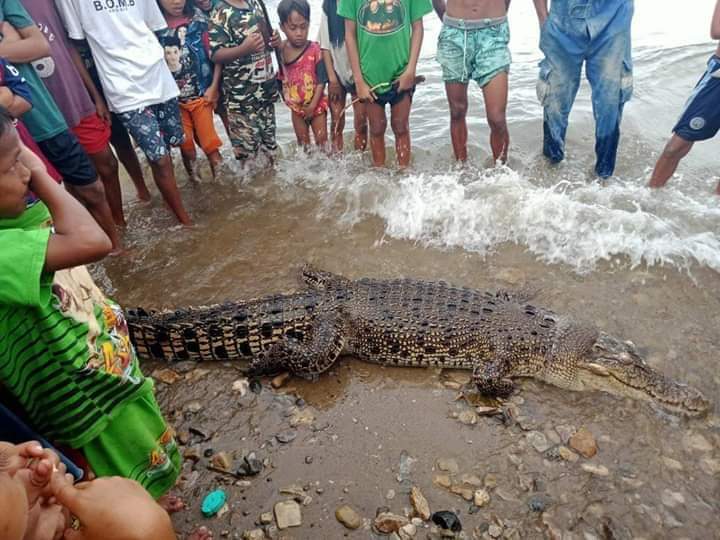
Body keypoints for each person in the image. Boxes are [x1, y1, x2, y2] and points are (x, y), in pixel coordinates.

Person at [0, 108, 182, 501]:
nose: (26, 172)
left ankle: (156, 498)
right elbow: (94, 241)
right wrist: (44, 177)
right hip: (81, 399)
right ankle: (139, 514)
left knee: (139, 435)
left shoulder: (14, 220)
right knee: (110, 469)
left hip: (104, 367)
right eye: (12, 165)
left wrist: (22, 164)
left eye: (23, 160)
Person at [55, 0, 192, 225]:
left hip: (158, 76)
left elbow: (152, 25)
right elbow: (74, 45)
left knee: (174, 142)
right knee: (160, 159)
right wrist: (97, 97)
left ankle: (169, 198)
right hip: (123, 87)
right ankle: (185, 222)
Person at [0, 0, 123, 250]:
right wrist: (11, 43)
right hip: (12, 134)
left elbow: (39, 45)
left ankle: (116, 249)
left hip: (44, 118)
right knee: (34, 206)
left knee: (91, 188)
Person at [533, 0, 634, 178]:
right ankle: (550, 172)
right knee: (555, 102)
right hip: (562, 20)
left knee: (609, 102)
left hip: (613, 18)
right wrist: (543, 18)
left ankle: (604, 179)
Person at [340, 0, 431, 168]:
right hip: (369, 77)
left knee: (401, 126)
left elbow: (418, 28)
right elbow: (349, 35)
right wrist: (359, 81)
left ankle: (404, 175)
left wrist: (411, 70)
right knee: (376, 127)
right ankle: (379, 175)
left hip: (401, 73)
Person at [649, 0, 720, 194]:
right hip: (717, 78)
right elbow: (716, 30)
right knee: (675, 147)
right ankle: (649, 198)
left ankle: (713, 211)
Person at [72, 41, 152, 203]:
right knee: (95, 156)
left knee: (121, 140)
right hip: (76, 90)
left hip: (104, 78)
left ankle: (142, 190)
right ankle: (107, 204)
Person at [433, 0, 510, 163]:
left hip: (493, 33)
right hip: (455, 33)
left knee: (497, 118)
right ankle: (461, 168)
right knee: (457, 110)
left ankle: (502, 174)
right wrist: (449, 22)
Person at [208, 0, 281, 166]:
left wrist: (275, 40)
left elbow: (267, 38)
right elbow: (215, 54)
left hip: (266, 95)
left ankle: (269, 189)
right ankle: (248, 191)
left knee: (270, 150)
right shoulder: (220, 12)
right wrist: (243, 49)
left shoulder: (256, 3)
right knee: (248, 158)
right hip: (240, 101)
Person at [157, 0, 224, 180]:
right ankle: (195, 185)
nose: (177, 1)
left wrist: (214, 87)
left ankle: (224, 189)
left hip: (201, 97)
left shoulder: (198, 20)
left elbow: (215, 54)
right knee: (186, 147)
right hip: (174, 102)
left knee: (210, 145)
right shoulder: (154, 28)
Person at [319, 0, 368, 153]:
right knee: (336, 121)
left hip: (360, 73)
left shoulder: (362, 4)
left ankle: (359, 160)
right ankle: (336, 161)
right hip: (337, 73)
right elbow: (325, 46)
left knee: (361, 122)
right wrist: (332, 79)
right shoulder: (329, 5)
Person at [278, 0, 329, 148]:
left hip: (316, 106)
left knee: (322, 144)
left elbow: (321, 81)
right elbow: (279, 77)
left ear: (309, 24)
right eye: (293, 28)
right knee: (303, 147)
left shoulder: (314, 49)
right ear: (282, 27)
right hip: (296, 109)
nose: (299, 33)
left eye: (303, 27)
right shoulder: (282, 50)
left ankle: (325, 171)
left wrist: (312, 106)